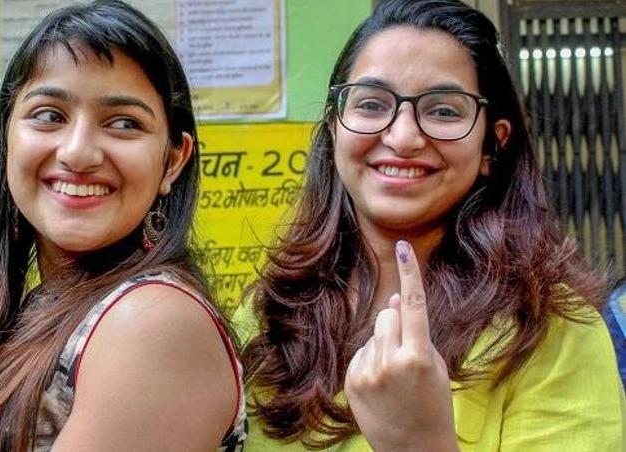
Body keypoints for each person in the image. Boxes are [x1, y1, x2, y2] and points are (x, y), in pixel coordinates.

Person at [234, 0, 625, 450]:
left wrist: (420, 441)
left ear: (490, 147)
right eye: (372, 104)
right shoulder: (272, 315)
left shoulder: (551, 328)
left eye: (443, 111)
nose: (402, 137)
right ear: (333, 128)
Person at [0, 1, 246, 451]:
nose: (78, 152)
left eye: (123, 123)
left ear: (173, 160)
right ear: (7, 136)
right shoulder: (33, 311)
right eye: (49, 115)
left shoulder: (155, 323)